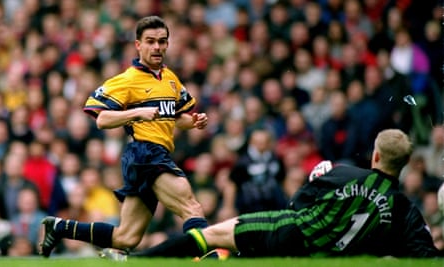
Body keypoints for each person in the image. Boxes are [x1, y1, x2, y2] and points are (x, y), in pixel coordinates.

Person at [39, 16, 211, 258]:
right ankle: (210, 259)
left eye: (162, 41)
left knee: (126, 237)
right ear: (138, 45)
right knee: (191, 207)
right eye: (150, 41)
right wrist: (137, 113)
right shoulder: (128, 79)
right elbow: (101, 119)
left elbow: (176, 118)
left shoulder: (171, 78)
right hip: (146, 153)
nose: (157, 47)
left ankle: (59, 227)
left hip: (152, 155)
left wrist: (194, 122)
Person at [130, 129, 439, 258]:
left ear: (375, 156)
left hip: (290, 231)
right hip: (324, 256)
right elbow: (426, 255)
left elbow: (298, 202)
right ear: (406, 164)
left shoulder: (341, 172)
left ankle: (139, 261)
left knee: (212, 235)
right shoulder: (404, 210)